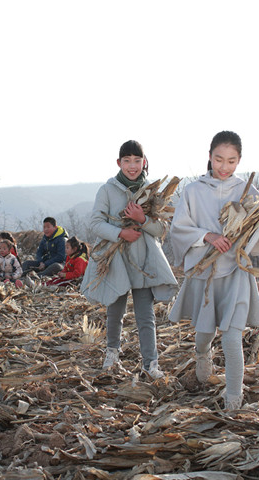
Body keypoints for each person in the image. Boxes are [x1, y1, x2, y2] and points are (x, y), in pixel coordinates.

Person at [169, 130, 259, 410]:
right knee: (204, 333)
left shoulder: (247, 191)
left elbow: (258, 235)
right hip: (205, 271)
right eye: (218, 159)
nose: (224, 167)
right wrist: (208, 236)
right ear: (209, 157)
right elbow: (179, 229)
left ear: (239, 161)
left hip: (237, 272)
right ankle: (202, 356)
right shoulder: (193, 191)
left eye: (231, 161)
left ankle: (233, 402)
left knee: (233, 336)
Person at [80, 140, 178, 379]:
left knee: (146, 316)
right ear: (119, 163)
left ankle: (150, 364)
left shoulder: (153, 192)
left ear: (144, 162)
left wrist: (142, 219)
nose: (132, 166)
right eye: (127, 161)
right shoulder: (107, 189)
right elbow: (95, 223)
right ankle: (112, 356)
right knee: (115, 312)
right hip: (116, 260)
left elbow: (162, 230)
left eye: (137, 160)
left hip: (144, 262)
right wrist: (121, 232)